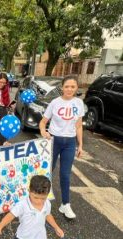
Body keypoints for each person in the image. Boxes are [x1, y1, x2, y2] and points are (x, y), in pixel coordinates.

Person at [39, 75, 84, 219]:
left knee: (65, 174)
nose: (69, 89)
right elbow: (43, 122)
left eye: (73, 86)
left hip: (70, 143)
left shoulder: (79, 103)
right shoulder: (55, 102)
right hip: (54, 141)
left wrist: (80, 144)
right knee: (47, 171)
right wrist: (43, 131)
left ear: (77, 88)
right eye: (67, 86)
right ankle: (40, 200)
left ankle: (65, 204)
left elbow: (78, 126)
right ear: (62, 88)